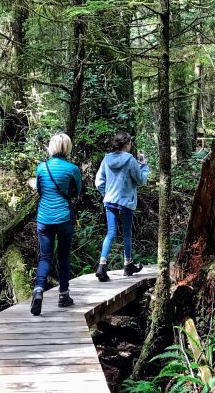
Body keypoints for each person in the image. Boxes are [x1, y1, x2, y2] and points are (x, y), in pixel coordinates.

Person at [30, 132, 83, 315]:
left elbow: (39, 190)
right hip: (64, 218)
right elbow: (77, 192)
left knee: (45, 257)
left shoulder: (41, 168)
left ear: (51, 147)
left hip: (44, 218)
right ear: (67, 147)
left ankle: (38, 291)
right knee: (64, 257)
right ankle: (63, 295)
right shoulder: (72, 169)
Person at [94, 131, 149, 281]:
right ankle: (128, 264)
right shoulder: (130, 160)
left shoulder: (107, 159)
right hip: (126, 202)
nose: (131, 145)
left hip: (110, 200)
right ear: (126, 144)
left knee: (110, 232)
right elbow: (141, 180)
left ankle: (102, 266)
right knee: (126, 234)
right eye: (130, 143)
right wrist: (144, 167)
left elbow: (99, 181)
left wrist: (106, 193)